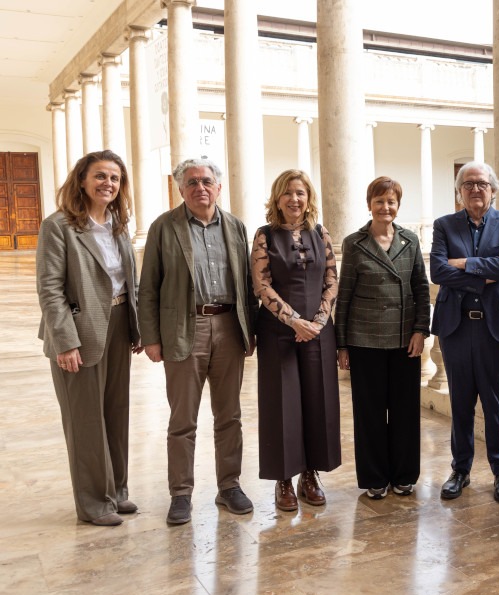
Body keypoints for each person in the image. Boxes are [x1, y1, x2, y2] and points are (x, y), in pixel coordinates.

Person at [138, 158, 257, 525]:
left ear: (218, 187)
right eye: (191, 182)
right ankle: (181, 493)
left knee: (229, 415)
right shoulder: (164, 227)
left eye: (206, 181)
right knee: (183, 419)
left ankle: (229, 486)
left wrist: (250, 330)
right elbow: (148, 288)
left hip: (229, 326)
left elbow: (247, 283)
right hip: (183, 328)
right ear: (180, 189)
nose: (199, 187)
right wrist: (151, 338)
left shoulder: (235, 226)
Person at [36, 149, 142, 527]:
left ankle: (117, 492)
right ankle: (95, 504)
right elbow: (50, 290)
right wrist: (65, 341)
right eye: (100, 176)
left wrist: (136, 327)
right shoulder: (58, 226)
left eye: (114, 178)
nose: (107, 183)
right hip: (79, 332)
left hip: (117, 324)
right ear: (82, 180)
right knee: (85, 421)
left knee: (115, 413)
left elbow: (128, 281)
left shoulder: (118, 224)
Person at [430, 161, 499, 503]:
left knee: (495, 402)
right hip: (455, 327)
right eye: (468, 184)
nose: (475, 189)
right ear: (459, 191)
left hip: (495, 327)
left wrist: (464, 264)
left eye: (481, 183)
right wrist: (486, 274)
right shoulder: (444, 225)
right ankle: (460, 470)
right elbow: (438, 271)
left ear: (493, 189)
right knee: (461, 401)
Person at [336, 176, 431, 499]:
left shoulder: (410, 240)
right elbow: (344, 294)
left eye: (391, 201)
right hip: (365, 340)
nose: (385, 207)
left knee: (405, 412)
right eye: (379, 201)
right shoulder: (354, 243)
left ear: (398, 206)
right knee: (370, 413)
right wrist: (342, 344)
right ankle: (374, 477)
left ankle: (404, 474)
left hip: (405, 339)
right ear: (369, 205)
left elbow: (421, 288)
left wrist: (420, 330)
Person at [252, 169, 340, 511]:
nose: (294, 199)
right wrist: (294, 321)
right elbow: (261, 285)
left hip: (318, 330)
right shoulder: (264, 235)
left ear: (308, 198)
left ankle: (310, 474)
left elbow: (331, 279)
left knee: (318, 399)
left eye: (300, 192)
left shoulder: (321, 233)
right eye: (287, 193)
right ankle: (284, 480)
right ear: (277, 199)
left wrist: (317, 322)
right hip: (279, 331)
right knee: (282, 403)